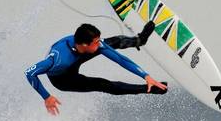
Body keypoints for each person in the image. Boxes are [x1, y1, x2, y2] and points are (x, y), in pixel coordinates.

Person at [24, 22, 168, 115]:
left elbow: (120, 59)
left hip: (77, 57)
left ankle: (139, 40)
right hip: (64, 79)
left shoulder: (88, 45)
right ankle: (150, 90)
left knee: (111, 43)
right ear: (85, 45)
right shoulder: (57, 60)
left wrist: (146, 76)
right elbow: (30, 72)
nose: (99, 44)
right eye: (96, 42)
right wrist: (46, 97)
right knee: (102, 84)